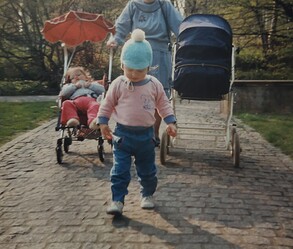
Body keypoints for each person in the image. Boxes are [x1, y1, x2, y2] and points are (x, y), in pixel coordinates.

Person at [98, 29, 177, 216]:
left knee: (148, 171)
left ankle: (147, 194)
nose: (133, 74)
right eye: (129, 68)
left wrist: (171, 122)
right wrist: (103, 123)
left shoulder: (154, 84)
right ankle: (117, 200)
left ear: (148, 67)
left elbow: (163, 104)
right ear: (122, 65)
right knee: (119, 171)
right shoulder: (118, 83)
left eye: (139, 70)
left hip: (145, 137)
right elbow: (107, 103)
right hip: (122, 136)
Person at [106, 0, 183, 145]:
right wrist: (115, 39)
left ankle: (153, 132)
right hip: (137, 53)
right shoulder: (133, 5)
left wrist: (188, 41)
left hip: (159, 53)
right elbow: (121, 25)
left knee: (157, 93)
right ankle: (130, 127)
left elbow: (180, 26)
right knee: (134, 90)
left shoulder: (164, 5)